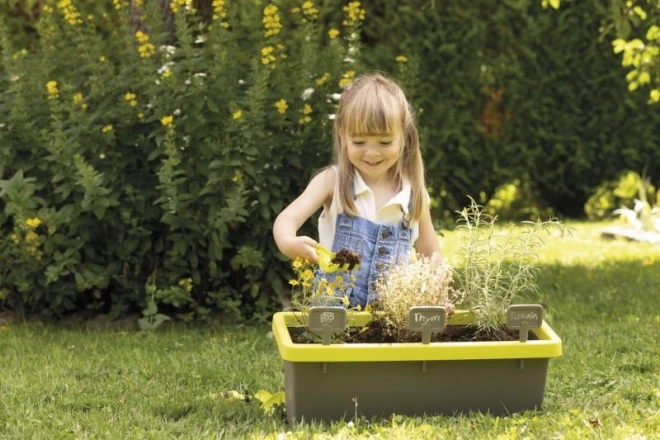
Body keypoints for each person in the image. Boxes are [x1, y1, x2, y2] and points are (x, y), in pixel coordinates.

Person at [273, 72, 444, 308]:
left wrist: (437, 295)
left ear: (403, 138)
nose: (372, 153)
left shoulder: (412, 194)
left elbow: (430, 254)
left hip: (391, 322)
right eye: (359, 142)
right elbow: (287, 218)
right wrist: (288, 241)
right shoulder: (332, 181)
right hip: (333, 322)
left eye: (385, 142)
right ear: (343, 135)